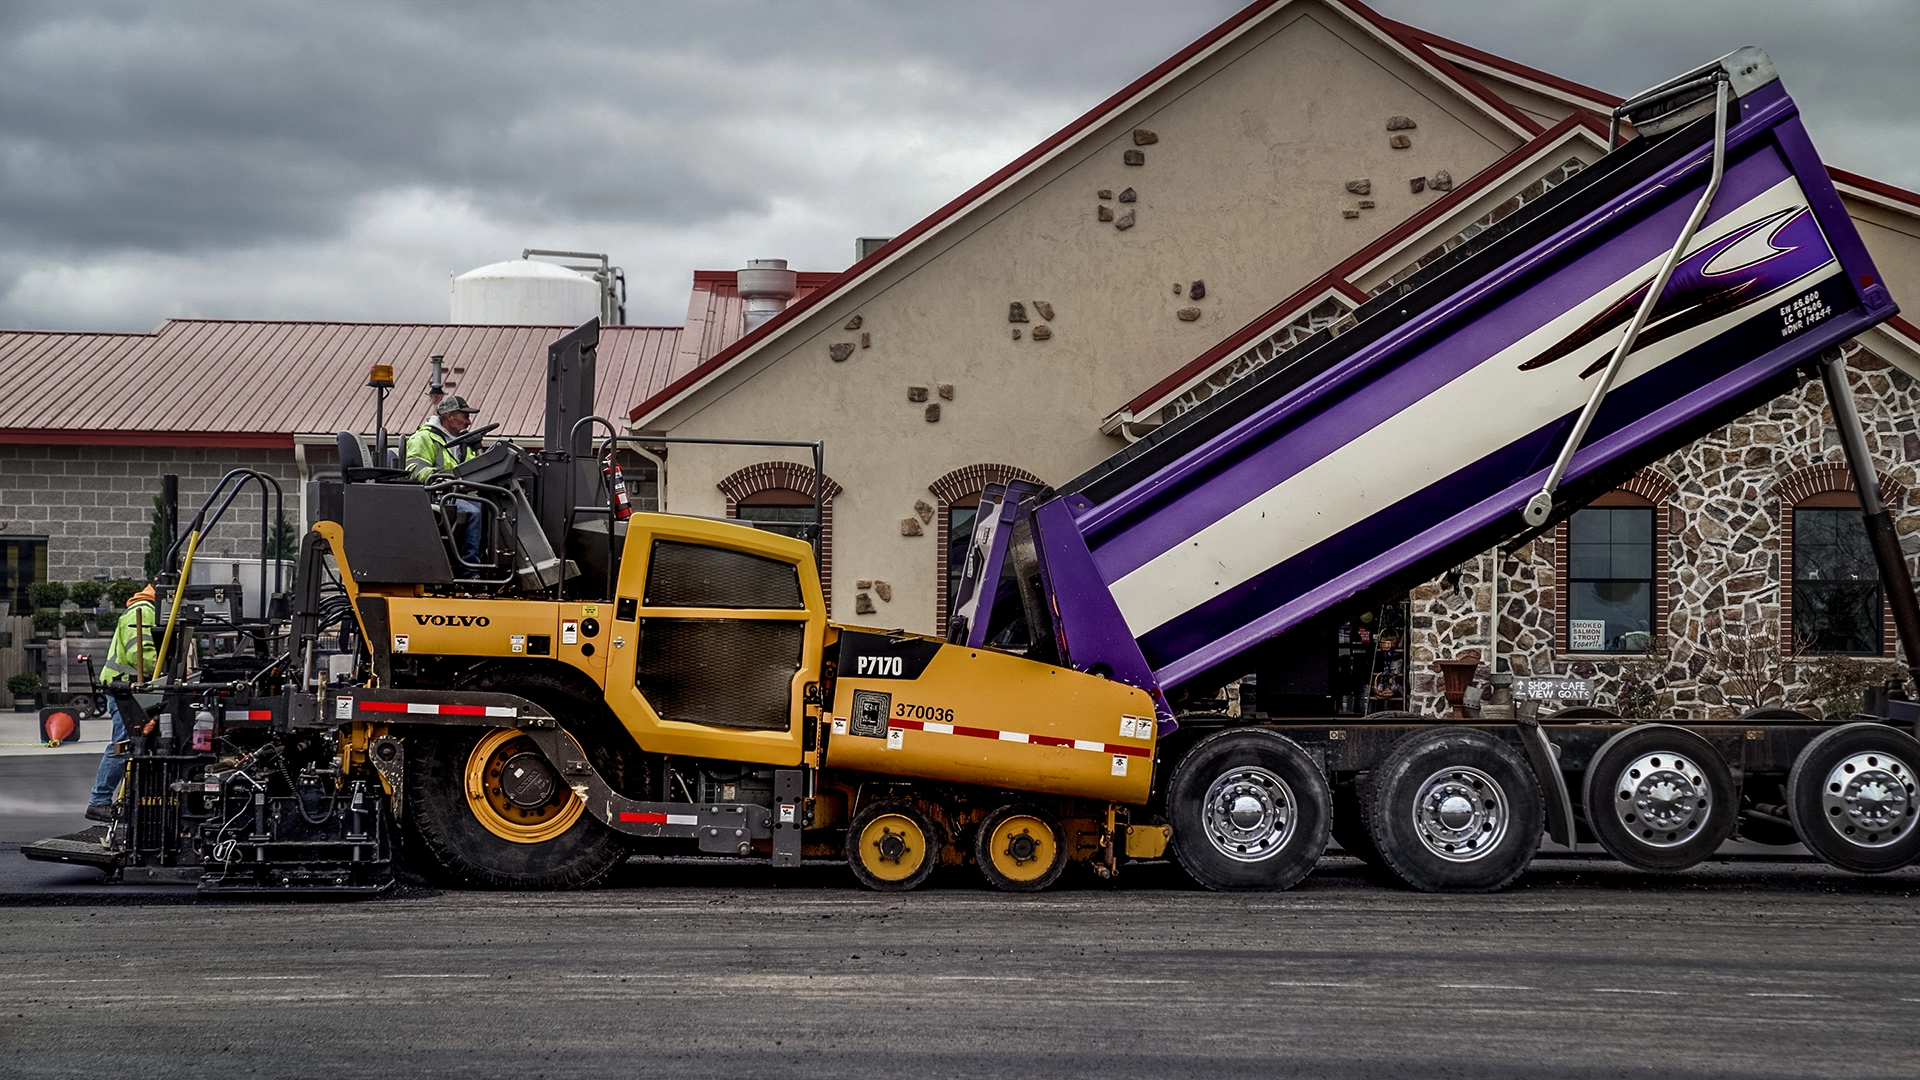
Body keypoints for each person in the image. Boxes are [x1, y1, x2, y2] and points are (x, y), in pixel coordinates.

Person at [86, 583, 159, 821]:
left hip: (131, 687)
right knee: (123, 744)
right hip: (125, 688)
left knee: (133, 743)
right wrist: (161, 668)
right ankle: (99, 802)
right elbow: (139, 653)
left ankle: (116, 800)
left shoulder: (148, 609)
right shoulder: (143, 610)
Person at [405, 395, 486, 571]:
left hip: (457, 494)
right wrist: (442, 478)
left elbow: (474, 469)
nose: (469, 422)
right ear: (449, 416)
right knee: (474, 511)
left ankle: (486, 561)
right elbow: (414, 468)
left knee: (493, 508)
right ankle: (471, 570)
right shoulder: (424, 438)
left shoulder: (463, 442)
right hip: (436, 496)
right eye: (465, 417)